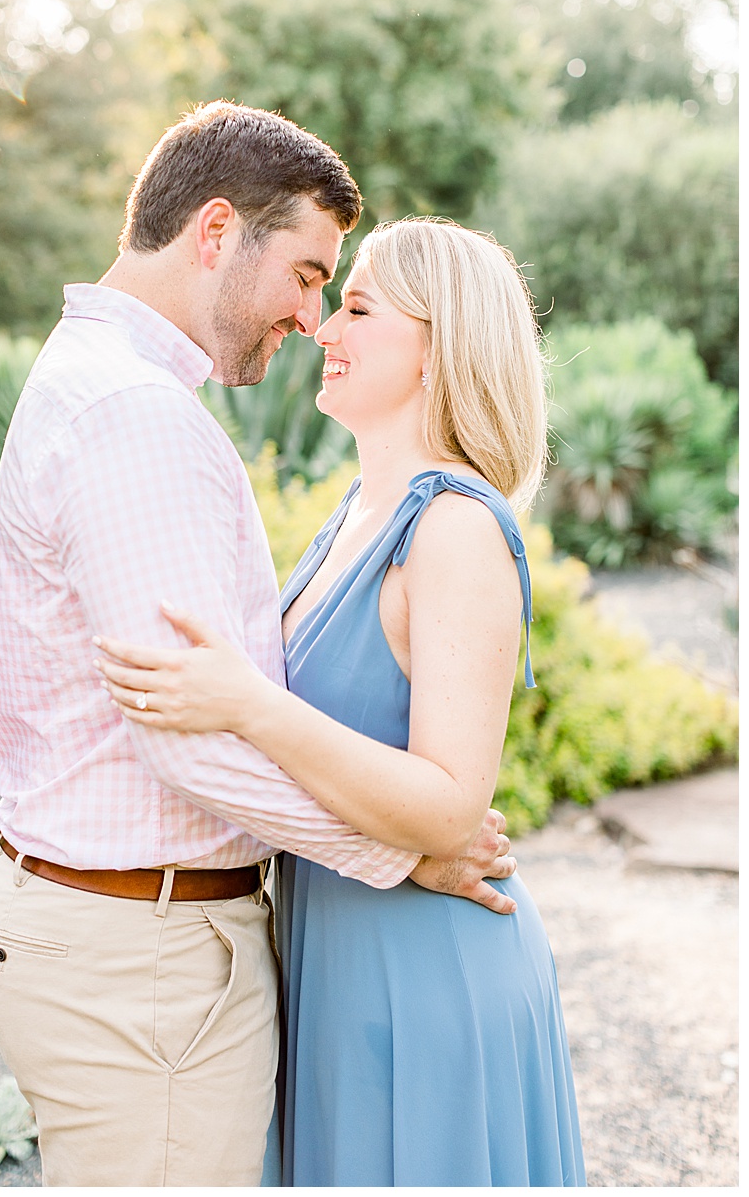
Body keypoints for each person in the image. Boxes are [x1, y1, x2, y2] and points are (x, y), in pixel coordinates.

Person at [0, 101, 517, 1187]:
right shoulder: (134, 413)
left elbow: (211, 705)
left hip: (136, 942)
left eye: (341, 295)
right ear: (216, 233)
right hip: (141, 958)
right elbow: (193, 741)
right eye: (313, 277)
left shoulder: (108, 385)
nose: (312, 317)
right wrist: (407, 855)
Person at [97, 217, 584, 1184]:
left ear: (440, 346)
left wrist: (245, 704)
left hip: (423, 978)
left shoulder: (454, 529)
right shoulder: (353, 517)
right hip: (331, 958)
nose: (322, 329)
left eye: (357, 307)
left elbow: (452, 803)